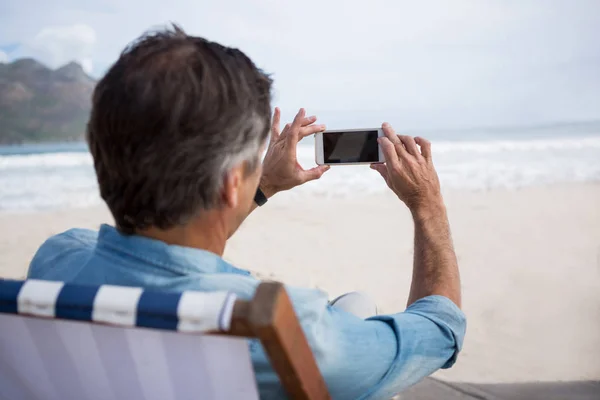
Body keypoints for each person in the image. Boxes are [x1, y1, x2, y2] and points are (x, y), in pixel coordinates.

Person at [28, 25, 466, 399]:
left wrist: (264, 184)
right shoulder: (285, 329)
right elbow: (439, 331)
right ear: (231, 181)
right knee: (358, 308)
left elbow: (169, 243)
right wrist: (428, 205)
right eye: (253, 158)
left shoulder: (57, 259)